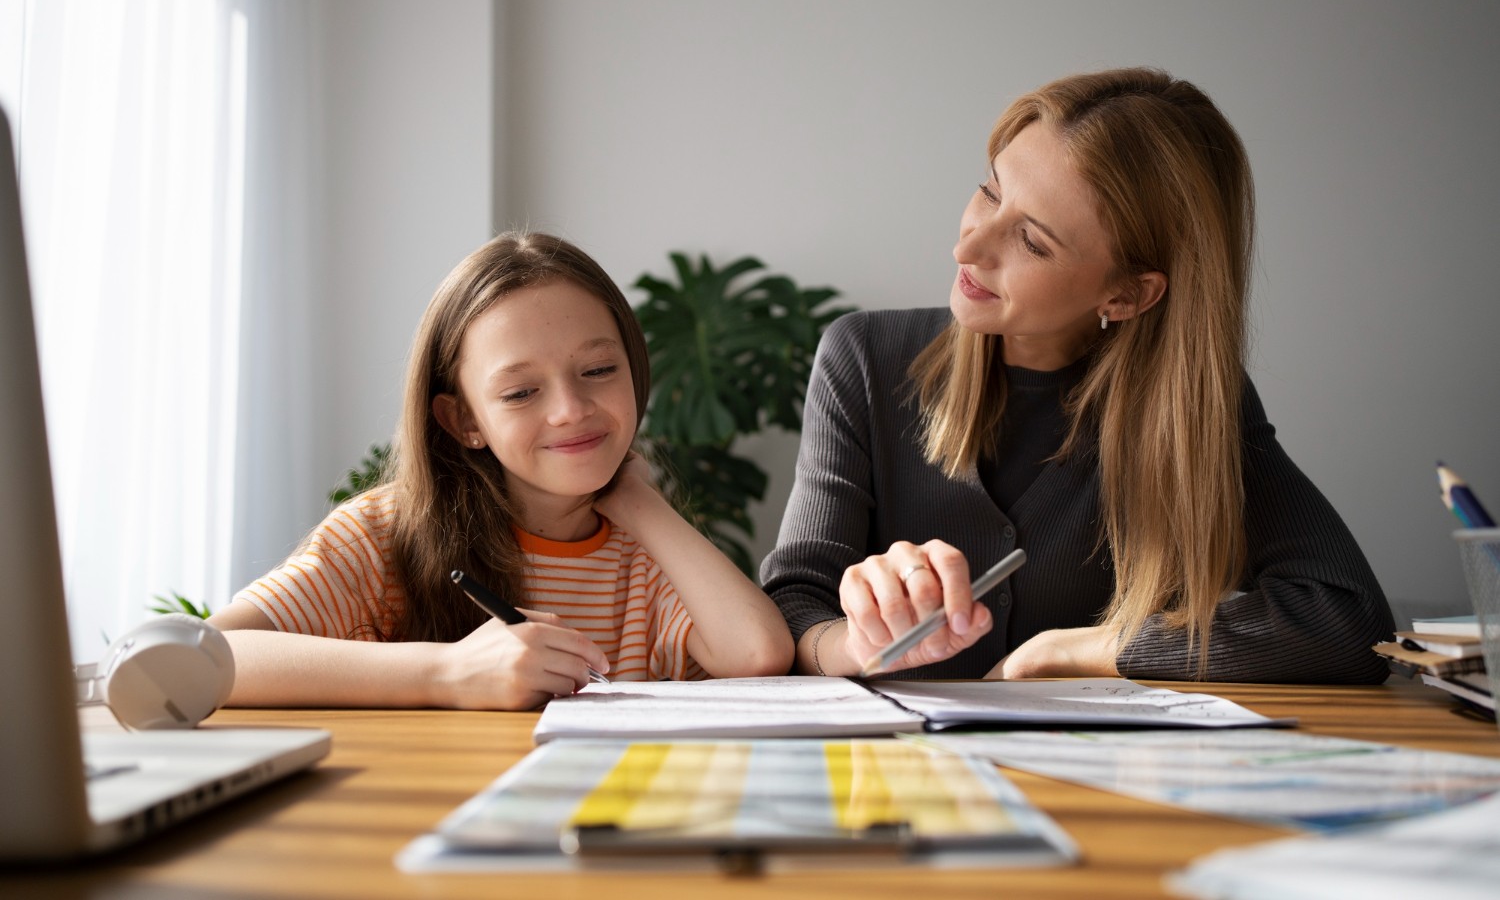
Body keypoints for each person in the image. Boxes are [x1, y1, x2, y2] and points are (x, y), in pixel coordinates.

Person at [762, 67, 1393, 684]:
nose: (969, 248)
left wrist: (1079, 650)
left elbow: (1347, 620)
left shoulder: (1190, 407)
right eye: (990, 191)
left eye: (1033, 241)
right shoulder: (864, 357)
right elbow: (793, 608)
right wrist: (861, 643)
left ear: (1127, 295)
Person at [210, 232, 794, 709]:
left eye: (598, 370)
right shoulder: (382, 535)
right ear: (464, 419)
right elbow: (203, 653)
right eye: (520, 392)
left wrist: (639, 501)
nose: (570, 410)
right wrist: (444, 672)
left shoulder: (649, 553)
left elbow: (758, 654)